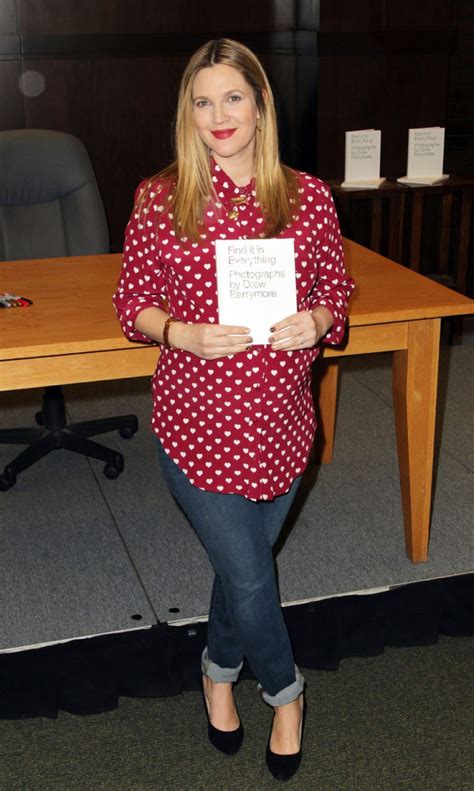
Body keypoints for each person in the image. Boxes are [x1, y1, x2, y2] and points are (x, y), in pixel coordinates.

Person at [113, 37, 354, 781]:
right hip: (199, 431)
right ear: (188, 112)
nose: (219, 115)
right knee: (252, 577)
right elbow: (132, 305)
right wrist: (181, 331)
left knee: (236, 571)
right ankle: (286, 693)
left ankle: (217, 668)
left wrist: (316, 322)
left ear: (260, 105)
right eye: (202, 100)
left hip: (282, 430)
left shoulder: (307, 196)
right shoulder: (162, 198)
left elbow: (335, 295)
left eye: (233, 98)